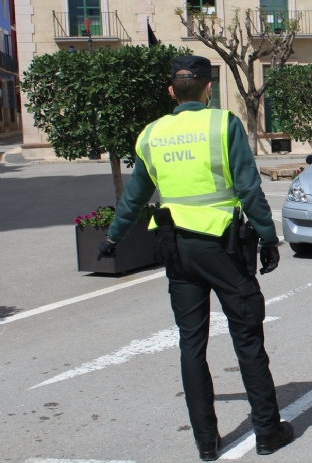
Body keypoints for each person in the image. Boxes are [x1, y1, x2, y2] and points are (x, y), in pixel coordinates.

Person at [97, 56, 293, 460]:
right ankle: (267, 433)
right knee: (247, 338)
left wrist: (113, 237)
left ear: (172, 90)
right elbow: (248, 187)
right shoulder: (222, 124)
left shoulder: (152, 134)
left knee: (191, 344)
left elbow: (135, 195)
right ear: (209, 88)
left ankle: (206, 443)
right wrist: (269, 238)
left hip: (175, 249)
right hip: (220, 245)